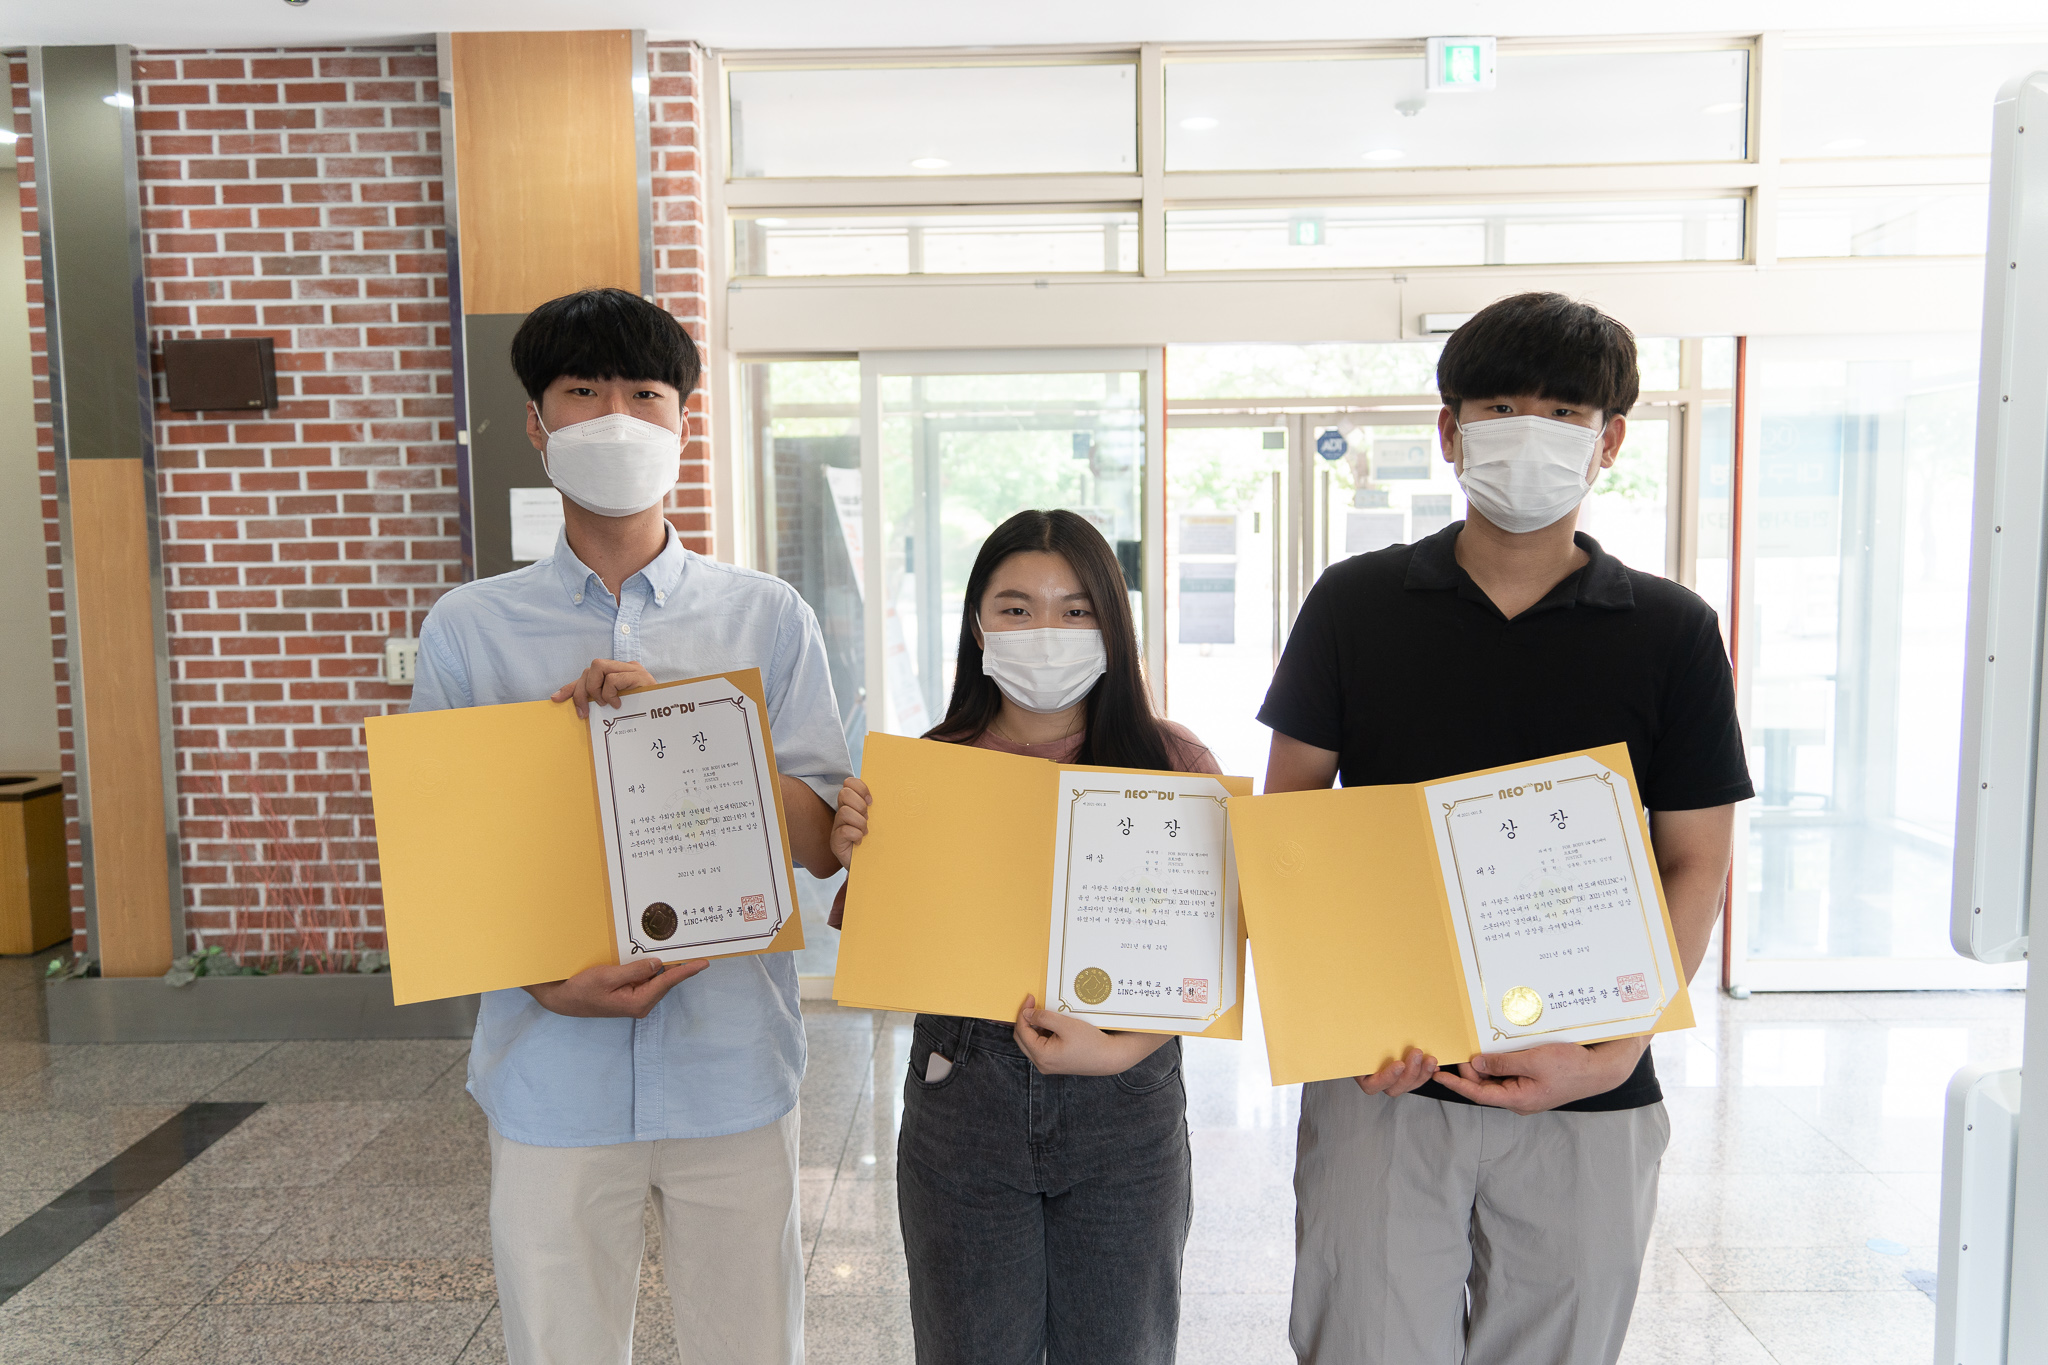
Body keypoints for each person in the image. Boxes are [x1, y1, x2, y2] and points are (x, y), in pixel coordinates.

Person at [1260, 292, 1752, 1365]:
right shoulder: (1353, 604)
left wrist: (1613, 1049)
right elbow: (1289, 826)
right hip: (1385, 1078)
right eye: (1498, 407)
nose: (1530, 431)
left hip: (1589, 1084)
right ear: (1449, 431)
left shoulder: (1673, 631)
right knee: (1362, 1344)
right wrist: (1346, 1018)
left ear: (1609, 441)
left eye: (1564, 412)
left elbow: (1694, 861)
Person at [408, 288, 850, 1365]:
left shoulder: (767, 615)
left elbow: (818, 840)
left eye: (645, 393)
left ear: (683, 422)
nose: (616, 416)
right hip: (547, 1070)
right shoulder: (470, 628)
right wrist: (543, 983)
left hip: (732, 1064)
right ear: (537, 422)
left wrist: (692, 728)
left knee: (751, 1348)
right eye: (583, 391)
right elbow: (444, 863)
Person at [829, 509, 1222, 1365]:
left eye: (1076, 609)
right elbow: (887, 946)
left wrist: (1118, 1050)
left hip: (1126, 1099)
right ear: (978, 627)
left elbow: (1210, 960)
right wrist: (861, 851)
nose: (1047, 630)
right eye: (1016, 608)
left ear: (1113, 626)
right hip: (963, 1094)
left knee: (1122, 1347)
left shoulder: (1174, 764)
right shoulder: (930, 765)